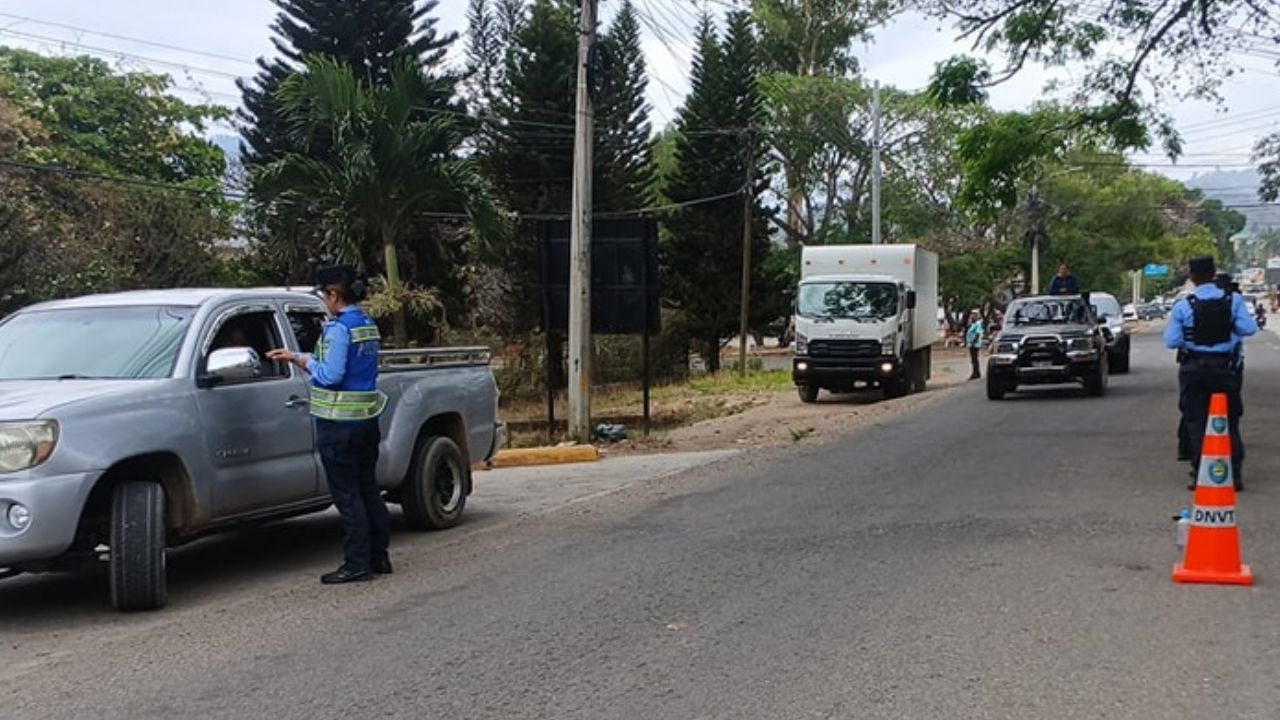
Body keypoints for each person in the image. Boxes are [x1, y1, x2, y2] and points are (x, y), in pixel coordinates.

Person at [267, 265, 391, 584]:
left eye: (324, 295)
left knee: (348, 495)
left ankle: (357, 564)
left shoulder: (338, 328)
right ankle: (379, 556)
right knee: (367, 488)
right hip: (365, 421)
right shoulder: (366, 323)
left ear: (334, 295)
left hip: (339, 423)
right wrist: (297, 354)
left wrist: (302, 360)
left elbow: (330, 375)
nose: (324, 300)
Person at [1164, 256, 1257, 491]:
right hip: (1225, 368)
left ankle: (1200, 474)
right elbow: (1249, 328)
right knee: (1230, 421)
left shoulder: (1184, 305)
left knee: (1197, 422)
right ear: (1214, 274)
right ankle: (1234, 475)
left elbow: (1172, 341)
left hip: (1194, 369)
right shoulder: (1233, 300)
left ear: (1192, 277)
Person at [965, 310, 983, 380]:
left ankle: (975, 373)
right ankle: (976, 372)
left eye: (974, 315)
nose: (972, 316)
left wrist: (973, 342)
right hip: (971, 344)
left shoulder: (978, 324)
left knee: (974, 359)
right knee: (974, 359)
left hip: (974, 344)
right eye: (971, 315)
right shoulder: (973, 324)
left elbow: (977, 334)